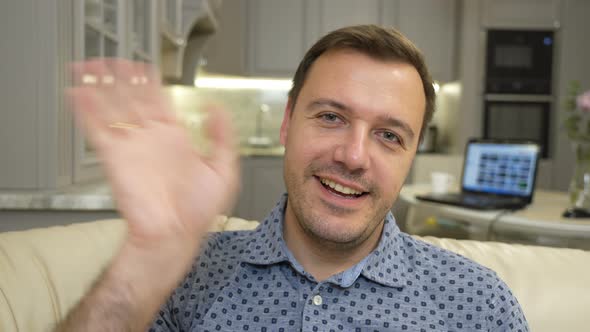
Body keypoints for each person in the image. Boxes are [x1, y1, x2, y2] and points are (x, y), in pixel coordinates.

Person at [56, 25, 528, 331]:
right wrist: (149, 254)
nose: (353, 156)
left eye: (388, 135)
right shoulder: (181, 277)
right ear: (287, 123)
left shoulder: (479, 306)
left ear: (412, 156)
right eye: (330, 117)